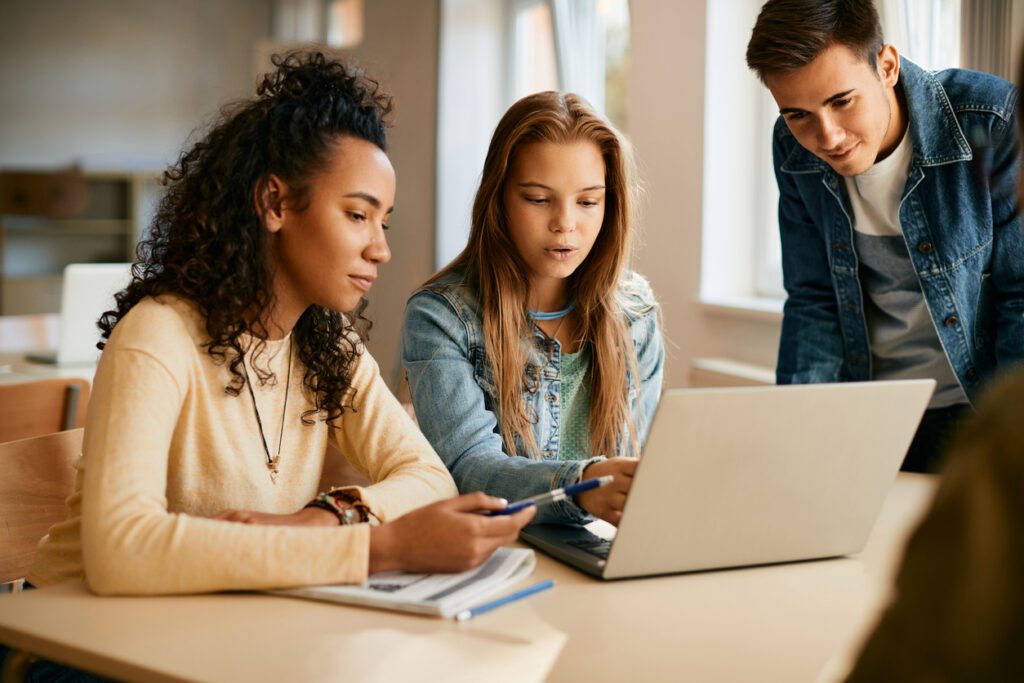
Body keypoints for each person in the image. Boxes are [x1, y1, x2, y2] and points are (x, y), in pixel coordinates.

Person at [25, 52, 535, 599]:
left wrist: (325, 517)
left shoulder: (327, 344)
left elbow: (429, 477)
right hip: (76, 641)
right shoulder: (157, 336)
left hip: (208, 629)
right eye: (358, 215)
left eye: (383, 221)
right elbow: (119, 553)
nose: (381, 248)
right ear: (275, 203)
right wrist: (378, 548)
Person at [746, 0, 1023, 472]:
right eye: (798, 114)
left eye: (841, 101)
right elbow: (813, 300)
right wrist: (795, 434)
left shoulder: (991, 120)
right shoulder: (790, 147)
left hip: (977, 412)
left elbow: (1020, 297)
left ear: (887, 65)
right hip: (869, 417)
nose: (827, 136)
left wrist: (1007, 440)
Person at [401, 91, 664, 527]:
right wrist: (583, 484)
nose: (565, 223)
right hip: (499, 551)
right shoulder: (440, 317)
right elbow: (469, 469)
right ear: (499, 199)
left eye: (587, 201)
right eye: (539, 199)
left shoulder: (636, 313)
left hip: (601, 553)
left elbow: (637, 467)